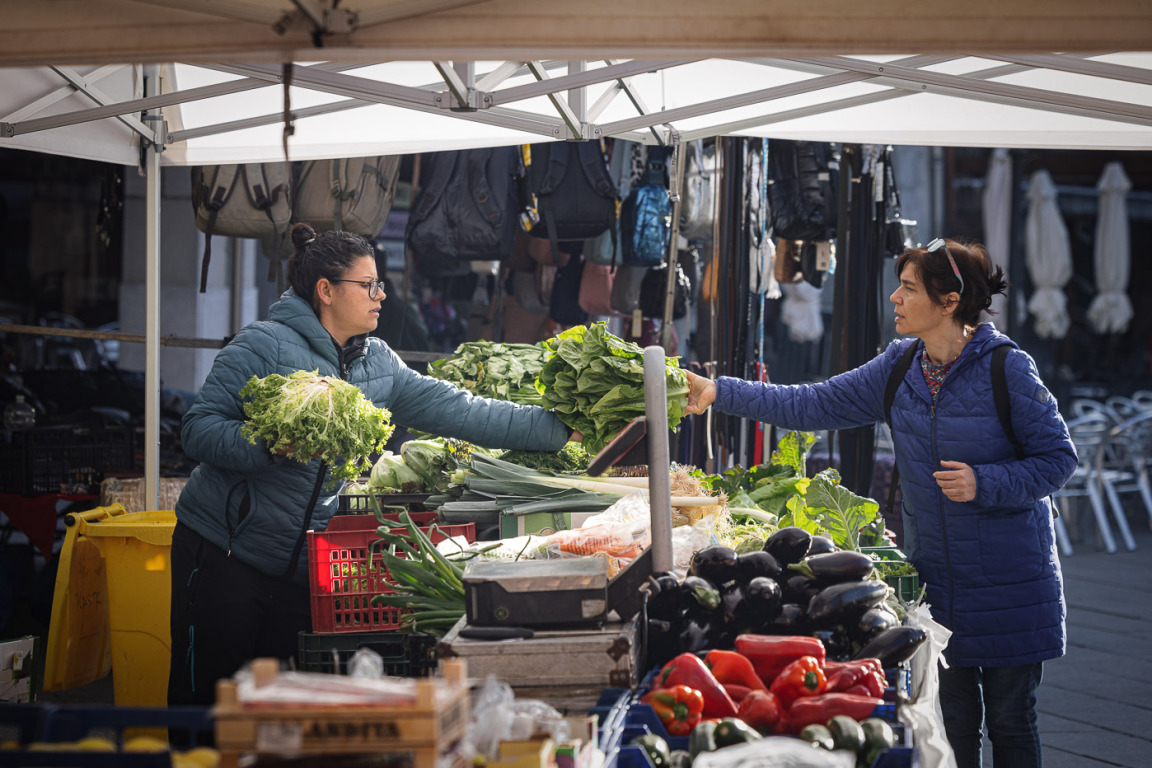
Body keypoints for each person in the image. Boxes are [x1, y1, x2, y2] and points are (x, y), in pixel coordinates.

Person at [684, 238, 1075, 768]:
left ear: (949, 301)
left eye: (909, 288)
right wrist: (720, 391)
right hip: (939, 586)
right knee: (950, 722)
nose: (894, 297)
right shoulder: (900, 368)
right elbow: (815, 402)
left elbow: (1058, 459)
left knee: (1010, 722)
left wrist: (985, 482)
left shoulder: (1009, 369)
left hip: (1012, 586)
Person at [169, 223, 575, 706]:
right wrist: (271, 446)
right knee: (208, 705)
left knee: (273, 716)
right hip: (224, 554)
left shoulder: (377, 365)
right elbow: (196, 428)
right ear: (325, 291)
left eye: (379, 284)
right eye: (368, 285)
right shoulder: (263, 345)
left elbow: (465, 411)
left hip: (301, 571)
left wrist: (565, 427)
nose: (381, 295)